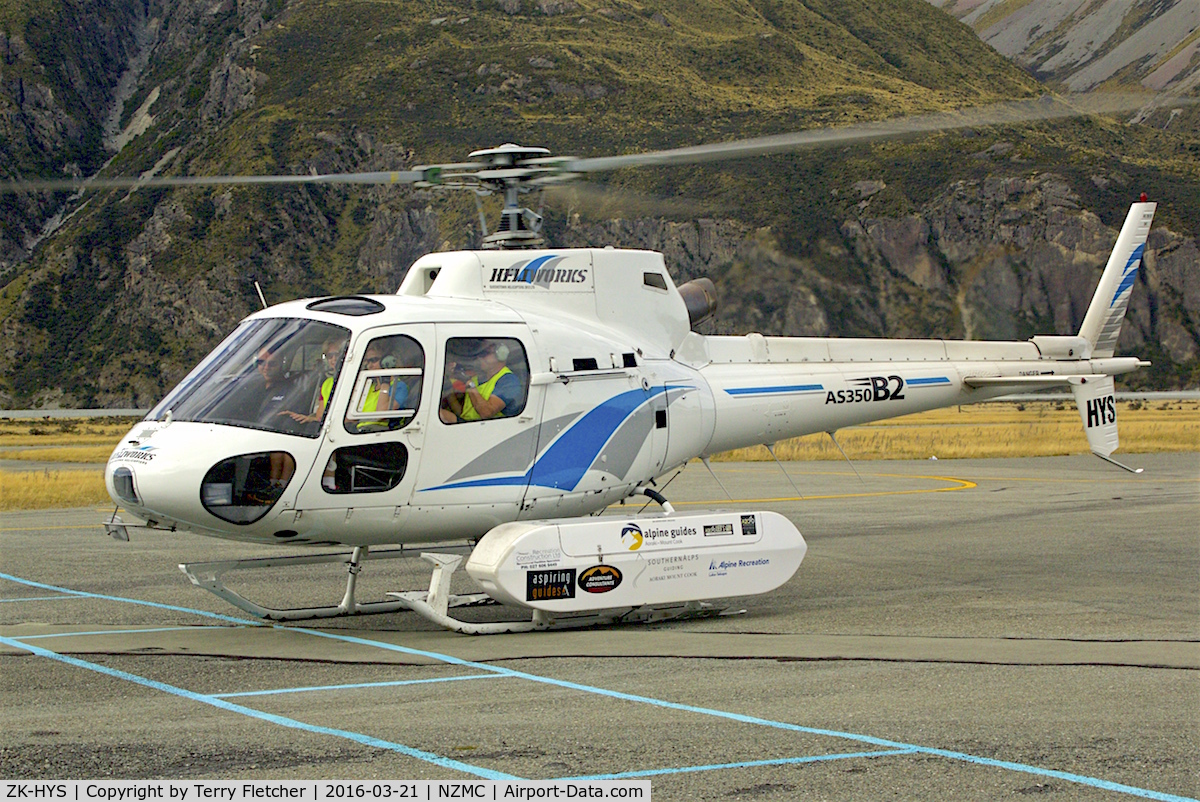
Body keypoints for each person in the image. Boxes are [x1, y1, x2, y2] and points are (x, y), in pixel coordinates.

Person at [440, 339, 520, 423]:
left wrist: (469, 384)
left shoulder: (509, 381)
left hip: (488, 429)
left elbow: (486, 413)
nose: (479, 357)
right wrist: (448, 392)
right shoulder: (477, 379)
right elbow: (464, 414)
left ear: (500, 355)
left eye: (484, 354)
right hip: (470, 425)